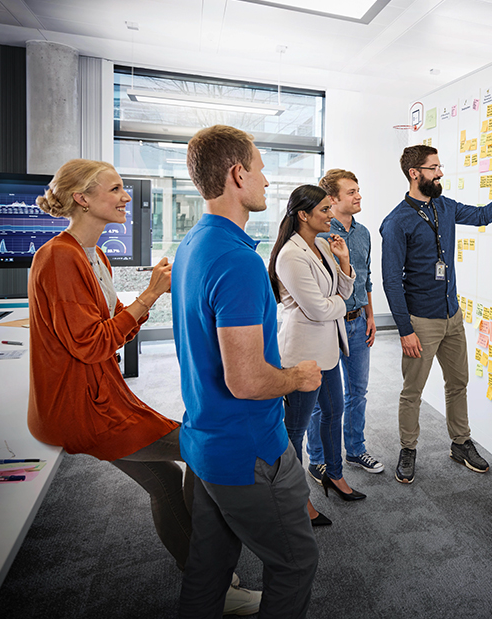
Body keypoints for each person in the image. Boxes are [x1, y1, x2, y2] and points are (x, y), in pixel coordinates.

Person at [27, 159, 261, 615]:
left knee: (165, 481)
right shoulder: (58, 257)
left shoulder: (94, 254)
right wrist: (150, 295)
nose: (126, 197)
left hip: (102, 396)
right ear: (83, 199)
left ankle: (208, 581)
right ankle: (212, 582)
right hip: (84, 407)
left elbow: (115, 325)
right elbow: (91, 343)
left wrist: (157, 298)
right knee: (198, 447)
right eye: (115, 189)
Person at [172, 125, 322, 619]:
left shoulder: (194, 243)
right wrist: (297, 378)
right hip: (247, 449)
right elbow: (248, 380)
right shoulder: (238, 262)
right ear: (238, 174)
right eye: (260, 169)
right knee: (296, 562)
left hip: (206, 442)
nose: (265, 180)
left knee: (209, 566)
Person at [380, 145, 492, 483]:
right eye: (433, 168)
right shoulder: (396, 222)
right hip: (421, 321)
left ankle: (461, 442)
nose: (440, 173)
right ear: (415, 174)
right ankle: (408, 449)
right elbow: (392, 280)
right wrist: (405, 329)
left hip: (452, 315)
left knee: (458, 383)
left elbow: (482, 216)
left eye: (439, 166)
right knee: (413, 391)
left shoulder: (445, 206)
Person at [269, 184, 365, 521]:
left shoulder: (323, 245)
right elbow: (319, 309)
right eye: (324, 209)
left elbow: (343, 289)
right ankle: (295, 499)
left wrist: (344, 261)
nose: (330, 215)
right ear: (303, 215)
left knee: (333, 412)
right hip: (303, 354)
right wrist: (338, 304)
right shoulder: (290, 255)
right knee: (294, 429)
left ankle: (334, 474)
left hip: (328, 350)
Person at [304, 169, 383, 481]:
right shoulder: (320, 236)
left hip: (358, 322)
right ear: (332, 200)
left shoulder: (363, 233)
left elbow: (365, 279)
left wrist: (371, 315)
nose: (358, 196)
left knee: (357, 392)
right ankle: (318, 458)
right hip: (329, 325)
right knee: (322, 399)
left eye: (358, 190)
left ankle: (355, 448)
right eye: (351, 192)